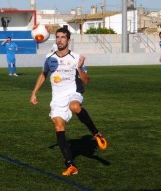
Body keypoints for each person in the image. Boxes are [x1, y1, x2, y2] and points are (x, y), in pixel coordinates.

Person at [30, 27, 107, 176]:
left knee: (74, 106)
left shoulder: (76, 58)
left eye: (63, 37)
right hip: (57, 99)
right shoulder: (50, 58)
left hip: (73, 93)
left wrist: (79, 68)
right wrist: (34, 93)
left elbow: (86, 81)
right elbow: (43, 74)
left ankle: (96, 134)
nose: (59, 40)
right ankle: (71, 165)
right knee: (58, 126)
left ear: (68, 40)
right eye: (57, 37)